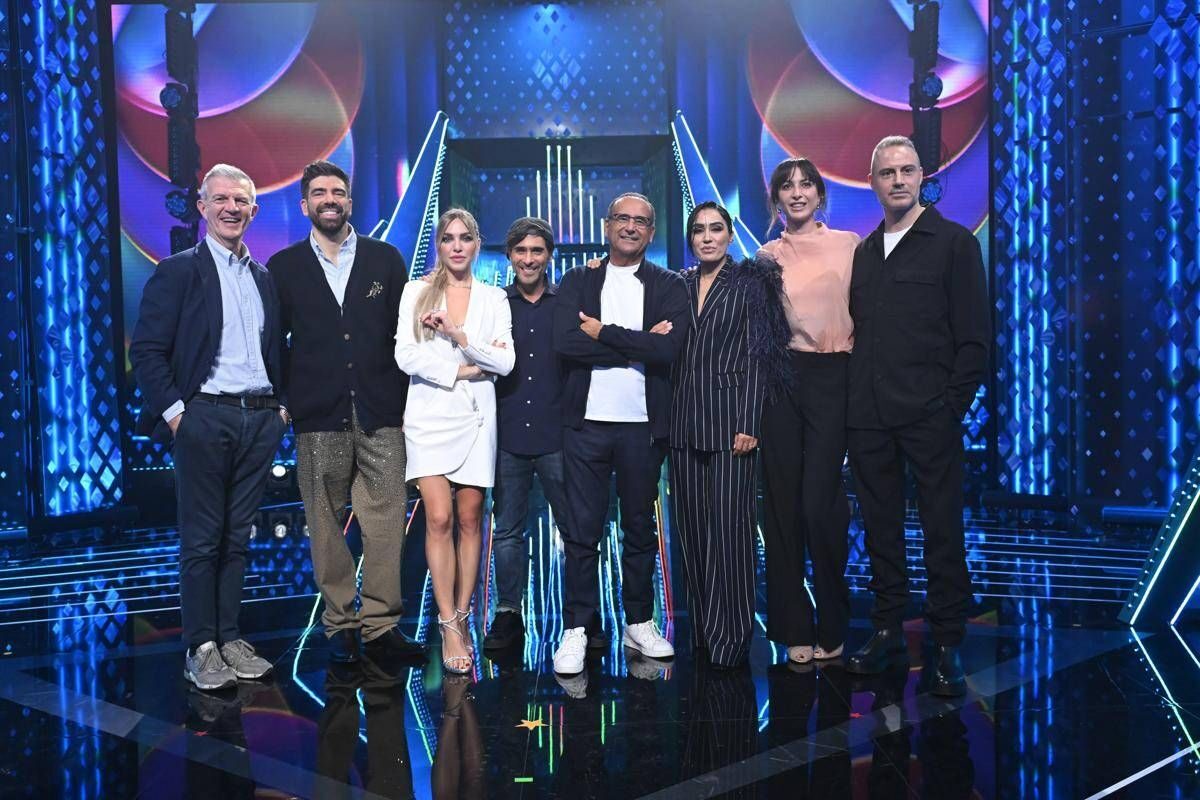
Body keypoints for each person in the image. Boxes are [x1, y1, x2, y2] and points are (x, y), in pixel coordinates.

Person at [843, 136, 990, 697]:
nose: (898, 180)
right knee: (879, 530)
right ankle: (887, 630)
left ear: (922, 175)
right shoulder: (864, 252)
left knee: (941, 530)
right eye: (888, 172)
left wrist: (950, 408)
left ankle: (947, 642)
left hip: (929, 415)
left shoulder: (953, 244)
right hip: (869, 416)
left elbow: (974, 339)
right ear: (873, 181)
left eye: (907, 170)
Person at [129, 163, 284, 690]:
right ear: (202, 207)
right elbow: (147, 350)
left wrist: (281, 412)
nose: (230, 208)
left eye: (240, 201)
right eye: (220, 199)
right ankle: (201, 646)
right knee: (202, 539)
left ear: (253, 211)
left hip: (259, 419)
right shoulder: (179, 271)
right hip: (204, 417)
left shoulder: (264, 278)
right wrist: (178, 416)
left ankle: (229, 637)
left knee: (237, 538)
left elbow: (277, 351)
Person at [266, 160, 424, 665]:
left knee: (385, 523)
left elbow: (406, 336)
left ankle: (380, 625)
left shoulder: (385, 259)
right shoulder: (284, 267)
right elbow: (274, 344)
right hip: (317, 415)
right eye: (319, 192)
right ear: (304, 205)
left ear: (350, 201)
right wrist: (286, 402)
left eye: (337, 191)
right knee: (325, 523)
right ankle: (339, 623)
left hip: (382, 413)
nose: (329, 199)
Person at [551, 192, 690, 675]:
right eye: (622, 219)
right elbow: (565, 342)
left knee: (639, 528)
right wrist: (639, 342)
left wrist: (603, 332)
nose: (631, 227)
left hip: (643, 428)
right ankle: (576, 628)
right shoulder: (579, 279)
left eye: (641, 221)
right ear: (607, 226)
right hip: (586, 425)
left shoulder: (669, 284)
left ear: (651, 232)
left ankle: (639, 621)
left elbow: (668, 351)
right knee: (581, 532)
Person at [394, 208, 515, 676]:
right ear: (439, 245)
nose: (457, 246)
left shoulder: (494, 298)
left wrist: (458, 335)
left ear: (477, 244)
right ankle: (446, 622)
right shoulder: (415, 292)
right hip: (428, 417)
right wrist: (465, 369)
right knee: (439, 517)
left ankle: (463, 615)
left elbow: (505, 363)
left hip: (478, 420)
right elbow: (406, 355)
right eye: (449, 238)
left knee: (469, 518)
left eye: (465, 238)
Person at [750, 158, 858, 665]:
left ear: (820, 194)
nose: (797, 193)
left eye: (806, 184)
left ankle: (834, 622)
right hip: (783, 378)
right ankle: (793, 625)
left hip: (836, 374)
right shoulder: (766, 255)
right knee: (782, 506)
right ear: (776, 199)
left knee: (820, 504)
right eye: (787, 186)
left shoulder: (850, 245)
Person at [669, 201, 764, 669]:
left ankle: (733, 634)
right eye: (699, 230)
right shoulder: (679, 284)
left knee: (730, 532)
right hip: (683, 423)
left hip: (731, 425)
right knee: (692, 533)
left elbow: (758, 355)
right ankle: (706, 634)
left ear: (728, 234)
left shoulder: (749, 284)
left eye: (716, 229)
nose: (707, 237)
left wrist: (750, 421)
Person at [483, 217, 574, 652]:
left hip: (558, 436)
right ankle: (508, 613)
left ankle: (582, 615)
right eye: (521, 251)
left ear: (549, 256)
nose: (529, 259)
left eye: (537, 250)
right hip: (508, 435)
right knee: (507, 532)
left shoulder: (567, 302)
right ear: (509, 256)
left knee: (575, 530)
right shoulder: (495, 305)